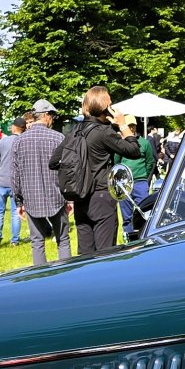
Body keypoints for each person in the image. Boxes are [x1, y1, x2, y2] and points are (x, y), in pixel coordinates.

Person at [65, 86, 142, 256]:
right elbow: (134, 150)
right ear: (105, 107)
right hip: (101, 197)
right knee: (105, 255)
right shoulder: (103, 132)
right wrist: (122, 125)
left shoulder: (75, 131)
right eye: (110, 102)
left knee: (85, 256)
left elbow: (55, 160)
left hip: (80, 197)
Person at [13, 99, 71, 266]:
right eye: (52, 116)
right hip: (57, 197)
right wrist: (70, 198)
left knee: (37, 243)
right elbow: (67, 171)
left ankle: (41, 281)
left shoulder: (20, 141)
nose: (53, 119)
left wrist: (19, 201)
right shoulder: (59, 138)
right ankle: (67, 277)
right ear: (46, 116)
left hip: (31, 198)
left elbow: (15, 175)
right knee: (63, 240)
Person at [115, 113, 157, 235]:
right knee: (126, 215)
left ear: (135, 127)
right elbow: (117, 163)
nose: (130, 128)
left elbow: (150, 162)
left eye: (132, 126)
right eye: (128, 126)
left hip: (140, 183)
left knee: (144, 212)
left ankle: (144, 236)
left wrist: (144, 177)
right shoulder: (120, 143)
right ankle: (128, 238)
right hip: (124, 184)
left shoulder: (144, 143)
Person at [0, 115, 25, 247]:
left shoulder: (3, 142)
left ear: (14, 127)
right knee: (16, 213)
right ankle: (15, 240)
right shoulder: (24, 141)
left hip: (2, 182)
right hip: (17, 184)